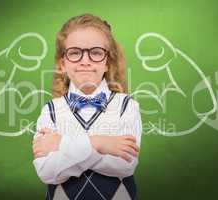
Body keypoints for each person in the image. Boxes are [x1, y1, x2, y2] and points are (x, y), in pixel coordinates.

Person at [32, 13, 142, 200]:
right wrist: (99, 143)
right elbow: (47, 171)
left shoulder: (127, 106)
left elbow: (124, 165)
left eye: (96, 52)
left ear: (107, 62)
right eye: (75, 52)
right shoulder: (51, 111)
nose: (85, 60)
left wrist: (62, 145)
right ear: (62, 63)